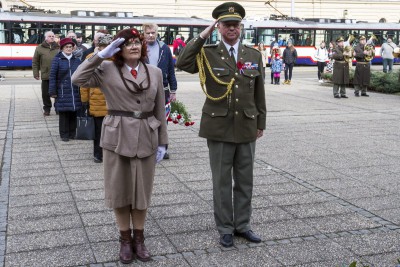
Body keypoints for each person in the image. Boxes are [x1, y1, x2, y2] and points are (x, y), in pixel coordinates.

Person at [71, 28, 168, 264]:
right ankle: (125, 240)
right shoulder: (105, 69)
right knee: (120, 192)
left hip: (146, 135)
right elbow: (77, 79)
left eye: (137, 42)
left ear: (143, 46)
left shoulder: (154, 72)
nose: (133, 46)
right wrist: (100, 55)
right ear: (119, 48)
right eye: (127, 43)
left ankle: (140, 239)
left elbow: (159, 109)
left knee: (142, 193)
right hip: (117, 136)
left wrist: (163, 142)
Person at [176, 2, 266, 248]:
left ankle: (243, 225)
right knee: (222, 181)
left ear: (241, 27)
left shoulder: (253, 55)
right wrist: (202, 36)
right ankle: (225, 227)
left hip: (247, 125)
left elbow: (259, 93)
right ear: (218, 27)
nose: (232, 29)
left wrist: (261, 122)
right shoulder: (208, 53)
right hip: (219, 127)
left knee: (245, 180)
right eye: (226, 25)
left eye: (235, 25)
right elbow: (182, 63)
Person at [142, 23, 177, 160]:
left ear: (157, 33)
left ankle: (163, 148)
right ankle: (147, 147)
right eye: (148, 33)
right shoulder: (139, 47)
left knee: (163, 120)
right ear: (143, 33)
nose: (151, 35)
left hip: (163, 89)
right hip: (144, 89)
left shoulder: (165, 49)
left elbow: (171, 71)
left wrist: (173, 90)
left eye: (153, 33)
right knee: (146, 119)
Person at [80, 34, 113, 163]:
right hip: (96, 101)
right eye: (103, 46)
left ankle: (108, 153)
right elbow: (83, 82)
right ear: (98, 47)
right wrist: (84, 100)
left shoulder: (117, 60)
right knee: (98, 130)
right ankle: (98, 154)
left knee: (112, 130)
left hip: (112, 100)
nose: (105, 48)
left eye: (107, 46)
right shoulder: (90, 58)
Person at [49, 38, 82, 141]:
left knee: (74, 112)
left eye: (70, 47)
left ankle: (72, 133)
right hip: (62, 90)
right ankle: (64, 135)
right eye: (66, 47)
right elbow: (52, 76)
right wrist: (52, 92)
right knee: (64, 114)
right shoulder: (57, 59)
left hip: (75, 90)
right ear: (62, 48)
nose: (69, 49)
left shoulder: (77, 60)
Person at [32, 31, 60, 116]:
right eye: (50, 36)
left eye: (53, 36)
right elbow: (35, 61)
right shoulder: (39, 48)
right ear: (45, 38)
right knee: (45, 94)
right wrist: (36, 73)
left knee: (58, 93)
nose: (52, 37)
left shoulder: (58, 47)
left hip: (57, 75)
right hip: (46, 74)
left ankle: (58, 108)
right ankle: (47, 109)